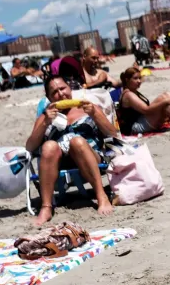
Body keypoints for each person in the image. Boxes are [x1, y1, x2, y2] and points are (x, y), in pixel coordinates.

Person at [26, 76, 117, 226]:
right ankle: (46, 207)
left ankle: (101, 196)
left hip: (90, 156)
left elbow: (112, 133)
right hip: (59, 164)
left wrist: (94, 113)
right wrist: (45, 123)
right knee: (49, 146)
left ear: (70, 88)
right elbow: (30, 147)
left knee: (77, 141)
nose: (61, 94)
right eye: (54, 92)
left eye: (62, 88)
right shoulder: (46, 115)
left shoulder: (88, 107)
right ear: (49, 97)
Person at [117, 67, 170, 134]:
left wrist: (165, 101)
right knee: (165, 101)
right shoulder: (128, 95)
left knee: (167, 95)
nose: (139, 81)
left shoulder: (134, 92)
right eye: (135, 78)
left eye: (140, 78)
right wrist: (165, 102)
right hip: (135, 126)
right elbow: (146, 110)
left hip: (142, 120)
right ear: (127, 80)